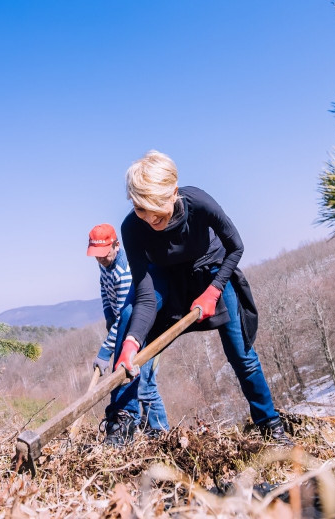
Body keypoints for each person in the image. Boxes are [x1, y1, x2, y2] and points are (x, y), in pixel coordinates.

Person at [101, 150, 292, 447]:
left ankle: (270, 424)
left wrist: (214, 290)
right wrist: (130, 345)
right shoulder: (132, 228)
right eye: (141, 209)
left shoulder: (199, 203)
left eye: (157, 209)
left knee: (241, 353)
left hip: (211, 272)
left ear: (173, 193)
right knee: (128, 323)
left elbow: (236, 247)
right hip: (165, 279)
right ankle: (122, 422)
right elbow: (146, 296)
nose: (150, 218)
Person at [86, 223, 169, 441]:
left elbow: (127, 316)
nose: (100, 259)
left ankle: (161, 433)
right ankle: (147, 430)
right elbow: (104, 290)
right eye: (96, 255)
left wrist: (105, 351)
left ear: (116, 245)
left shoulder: (125, 270)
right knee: (135, 381)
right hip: (123, 327)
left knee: (145, 384)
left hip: (143, 330)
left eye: (104, 254)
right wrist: (108, 317)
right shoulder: (104, 264)